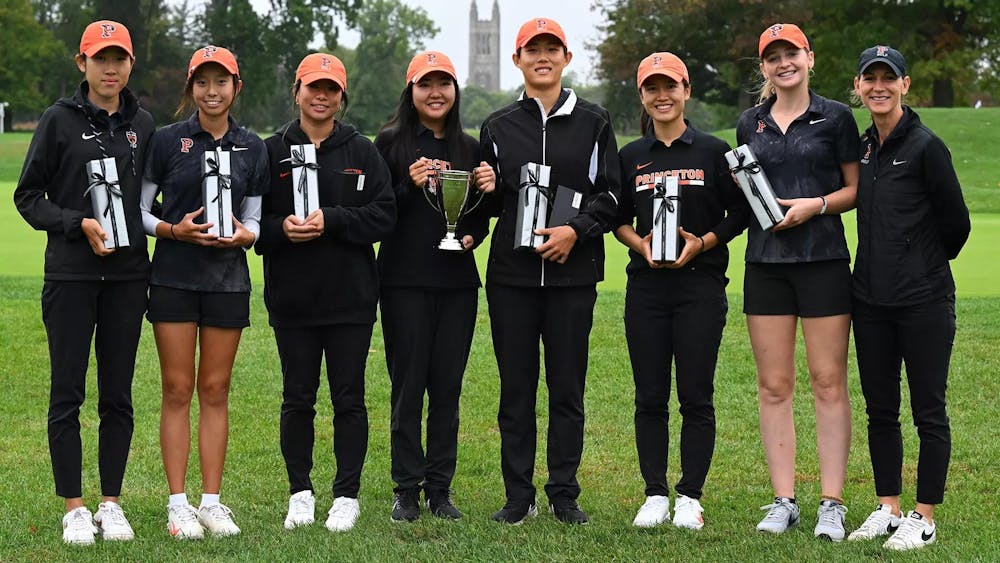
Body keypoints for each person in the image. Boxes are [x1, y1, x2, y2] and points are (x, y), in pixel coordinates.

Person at [13, 20, 153, 545]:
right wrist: (77, 223)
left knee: (117, 394)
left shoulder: (144, 122)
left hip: (127, 278)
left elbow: (147, 201)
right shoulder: (58, 120)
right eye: (100, 58)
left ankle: (111, 503)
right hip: (70, 275)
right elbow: (29, 197)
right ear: (82, 63)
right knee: (67, 392)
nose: (110, 67)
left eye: (118, 58)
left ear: (130, 64)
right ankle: (74, 506)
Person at [479, 17, 621, 525]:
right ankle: (519, 496)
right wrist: (484, 187)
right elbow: (488, 203)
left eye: (551, 49)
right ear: (517, 59)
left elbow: (612, 194)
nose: (542, 57)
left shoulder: (594, 120)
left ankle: (564, 493)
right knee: (515, 389)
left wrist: (574, 231)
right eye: (531, 49)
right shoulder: (497, 126)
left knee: (567, 388)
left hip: (572, 276)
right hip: (511, 278)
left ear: (566, 58)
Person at [256, 53, 395, 533]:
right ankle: (300, 492)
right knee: (297, 398)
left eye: (331, 89)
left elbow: (384, 215)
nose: (321, 96)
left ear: (342, 97)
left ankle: (346, 495)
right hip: (292, 300)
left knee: (349, 399)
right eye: (313, 87)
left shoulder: (362, 151)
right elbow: (251, 224)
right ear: (296, 92)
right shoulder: (271, 151)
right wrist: (280, 230)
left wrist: (333, 219)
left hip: (350, 300)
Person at [615, 52, 749, 530]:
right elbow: (616, 218)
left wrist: (705, 242)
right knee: (649, 395)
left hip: (701, 286)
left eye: (670, 86)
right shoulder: (630, 156)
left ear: (686, 91)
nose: (661, 96)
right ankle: (654, 493)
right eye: (651, 88)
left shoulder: (714, 152)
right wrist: (639, 242)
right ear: (643, 97)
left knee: (696, 395)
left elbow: (740, 213)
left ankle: (690, 494)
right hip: (647, 288)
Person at [736, 23, 860, 540]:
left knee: (828, 382)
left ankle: (832, 502)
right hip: (765, 265)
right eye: (773, 57)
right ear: (764, 68)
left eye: (792, 53)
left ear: (810, 58)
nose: (783, 62)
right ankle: (783, 499)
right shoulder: (750, 123)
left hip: (824, 260)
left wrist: (817, 206)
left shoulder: (836, 118)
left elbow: (855, 189)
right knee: (774, 385)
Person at [140, 45, 268, 539]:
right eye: (202, 82)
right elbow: (141, 210)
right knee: (177, 389)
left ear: (237, 87)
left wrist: (246, 236)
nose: (211, 92)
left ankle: (211, 502)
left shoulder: (252, 147)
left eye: (221, 82)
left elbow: (254, 217)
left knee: (215, 390)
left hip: (227, 281)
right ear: (191, 88)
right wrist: (173, 231)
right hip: (172, 275)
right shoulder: (168, 140)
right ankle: (178, 505)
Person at [846, 46, 970, 551]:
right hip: (870, 301)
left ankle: (924, 516)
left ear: (905, 84)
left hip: (923, 300)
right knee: (880, 410)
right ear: (858, 86)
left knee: (928, 411)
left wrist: (918, 262)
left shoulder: (925, 146)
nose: (879, 87)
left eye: (888, 79)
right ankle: (888, 507)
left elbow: (956, 226)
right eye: (870, 79)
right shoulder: (863, 147)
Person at [374, 51, 494, 522]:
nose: (436, 92)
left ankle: (440, 489)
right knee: (408, 385)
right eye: (426, 84)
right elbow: (378, 215)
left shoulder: (470, 148)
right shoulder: (388, 144)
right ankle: (406, 488)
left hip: (457, 285)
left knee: (447, 387)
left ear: (455, 91)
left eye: (444, 83)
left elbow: (480, 219)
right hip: (403, 281)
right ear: (411, 91)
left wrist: (479, 217)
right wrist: (407, 185)